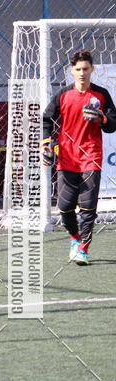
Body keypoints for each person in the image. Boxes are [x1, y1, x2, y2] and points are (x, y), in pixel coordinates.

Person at [42, 50, 116, 265]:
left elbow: (112, 125)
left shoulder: (101, 95)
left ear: (92, 69)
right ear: (71, 71)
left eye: (85, 69)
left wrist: (102, 118)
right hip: (66, 157)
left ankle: (83, 248)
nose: (82, 73)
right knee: (65, 207)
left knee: (88, 207)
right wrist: (46, 145)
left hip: (91, 156)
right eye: (78, 69)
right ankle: (75, 238)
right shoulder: (63, 94)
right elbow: (46, 120)